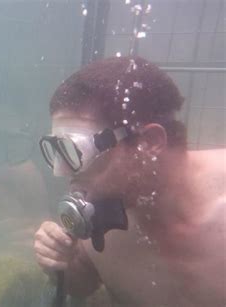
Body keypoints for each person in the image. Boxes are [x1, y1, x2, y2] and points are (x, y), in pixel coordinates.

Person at [33, 56, 225, 307]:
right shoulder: (97, 224)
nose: (60, 172)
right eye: (56, 150)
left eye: (75, 150)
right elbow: (85, 286)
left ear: (150, 143)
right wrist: (63, 263)